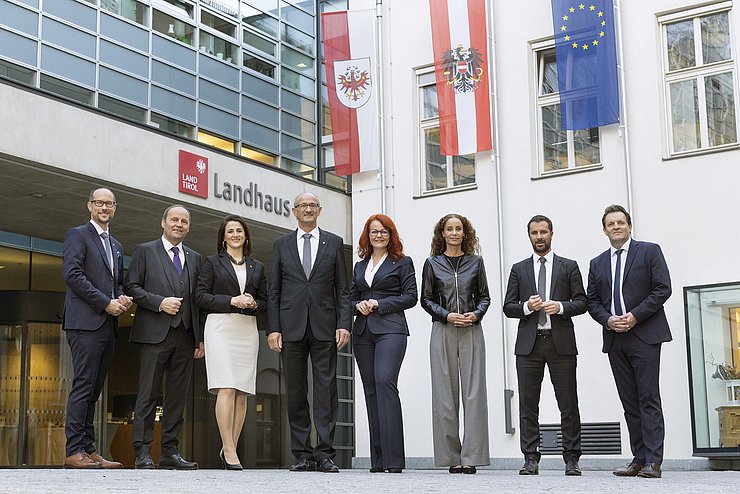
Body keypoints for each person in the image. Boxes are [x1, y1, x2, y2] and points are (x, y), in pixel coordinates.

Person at [266, 192, 352, 473]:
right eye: (303, 205)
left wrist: (343, 323)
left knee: (326, 390)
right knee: (295, 391)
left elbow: (343, 289)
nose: (307, 209)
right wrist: (273, 328)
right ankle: (302, 453)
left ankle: (325, 453)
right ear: (293, 211)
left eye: (312, 205)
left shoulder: (334, 242)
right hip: (290, 327)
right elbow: (274, 290)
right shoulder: (281, 244)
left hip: (325, 325)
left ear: (319, 210)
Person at [586, 204, 672, 479]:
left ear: (629, 226)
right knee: (629, 401)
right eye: (610, 224)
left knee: (648, 398)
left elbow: (662, 288)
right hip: (615, 338)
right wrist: (608, 320)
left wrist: (635, 316)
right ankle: (639, 457)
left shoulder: (649, 251)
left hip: (644, 335)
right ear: (604, 230)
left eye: (620, 222)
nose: (616, 227)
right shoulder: (597, 263)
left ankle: (654, 461)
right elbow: (592, 301)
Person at [503, 215, 587, 476]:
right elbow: (508, 307)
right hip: (529, 345)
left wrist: (561, 307)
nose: (539, 237)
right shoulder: (519, 269)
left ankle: (571, 459)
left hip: (560, 343)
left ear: (552, 233)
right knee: (528, 404)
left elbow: (583, 302)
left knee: (568, 403)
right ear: (528, 236)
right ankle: (530, 459)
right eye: (534, 233)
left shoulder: (568, 266)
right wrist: (527, 307)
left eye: (543, 232)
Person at [124, 205, 203, 470]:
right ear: (163, 223)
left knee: (177, 396)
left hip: (185, 335)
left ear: (188, 227)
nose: (179, 224)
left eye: (184, 221)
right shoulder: (145, 251)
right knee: (147, 394)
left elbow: (198, 300)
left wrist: (200, 338)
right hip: (154, 334)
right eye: (174, 220)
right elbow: (131, 287)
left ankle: (170, 451)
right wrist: (159, 303)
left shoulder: (195, 258)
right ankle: (142, 451)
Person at [62, 188, 132, 469]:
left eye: (109, 204)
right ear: (89, 205)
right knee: (83, 385)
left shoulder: (116, 245)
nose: (105, 207)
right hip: (85, 322)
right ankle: (73, 450)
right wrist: (106, 303)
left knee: (94, 389)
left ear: (115, 208)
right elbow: (73, 275)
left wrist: (121, 297)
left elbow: (116, 283)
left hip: (107, 325)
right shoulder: (77, 235)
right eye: (99, 203)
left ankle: (89, 450)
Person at [194, 215, 266, 471]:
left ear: (246, 236)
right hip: (221, 327)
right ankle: (229, 448)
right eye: (230, 231)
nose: (235, 234)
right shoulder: (212, 263)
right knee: (226, 388)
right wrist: (232, 301)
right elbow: (200, 297)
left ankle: (229, 449)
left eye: (239, 231)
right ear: (223, 237)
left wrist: (254, 303)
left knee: (242, 393)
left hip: (246, 330)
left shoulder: (257, 266)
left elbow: (266, 302)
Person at [420, 213, 490, 474]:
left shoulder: (476, 262)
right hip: (443, 329)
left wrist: (476, 314)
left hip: (471, 329)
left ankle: (471, 456)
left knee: (474, 394)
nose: (454, 233)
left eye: (458, 228)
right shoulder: (432, 263)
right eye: (449, 229)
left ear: (464, 233)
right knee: (444, 396)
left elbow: (485, 296)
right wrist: (447, 315)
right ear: (442, 234)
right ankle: (452, 457)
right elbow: (425, 299)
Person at [351, 214, 417, 474]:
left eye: (383, 232)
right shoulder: (359, 266)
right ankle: (378, 461)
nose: (378, 236)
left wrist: (380, 303)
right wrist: (357, 305)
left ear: (391, 235)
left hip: (391, 329)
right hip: (363, 332)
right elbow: (349, 298)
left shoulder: (402, 262)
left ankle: (394, 460)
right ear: (367, 235)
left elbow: (411, 296)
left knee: (384, 383)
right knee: (370, 391)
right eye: (374, 232)